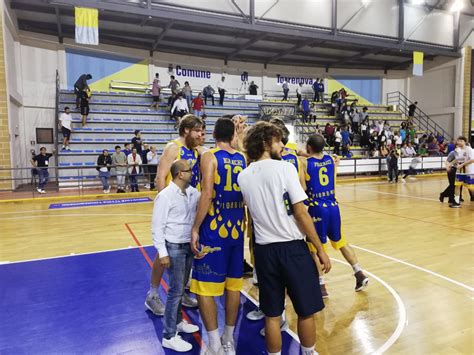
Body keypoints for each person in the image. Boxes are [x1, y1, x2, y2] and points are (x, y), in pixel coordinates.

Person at [238, 122, 331, 355]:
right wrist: (319, 249)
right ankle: (308, 353)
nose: (282, 145)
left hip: (264, 252)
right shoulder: (285, 169)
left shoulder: (244, 176)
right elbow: (300, 212)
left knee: (271, 315)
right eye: (278, 140)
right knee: (306, 311)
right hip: (292, 249)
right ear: (265, 142)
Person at [190, 118, 246, 354]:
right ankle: (228, 340)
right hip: (238, 228)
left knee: (205, 287)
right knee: (233, 287)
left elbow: (208, 193)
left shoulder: (209, 156)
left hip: (214, 228)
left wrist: (195, 227)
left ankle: (213, 345)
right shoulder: (242, 158)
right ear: (233, 134)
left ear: (213, 134)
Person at [145, 114, 204, 317]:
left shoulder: (194, 151)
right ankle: (152, 294)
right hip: (173, 209)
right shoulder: (173, 148)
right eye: (197, 130)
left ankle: (181, 292)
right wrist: (165, 205)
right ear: (186, 130)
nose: (200, 134)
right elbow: (161, 176)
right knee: (165, 253)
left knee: (187, 250)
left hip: (189, 208)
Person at [305, 134, 368, 298]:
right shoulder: (331, 160)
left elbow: (297, 157)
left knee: (314, 249)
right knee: (341, 242)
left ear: (309, 147)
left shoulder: (305, 163)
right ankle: (359, 272)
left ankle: (321, 285)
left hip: (317, 208)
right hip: (333, 207)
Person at [152, 159, 201, 352]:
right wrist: (162, 253)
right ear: (180, 173)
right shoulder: (165, 196)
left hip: (187, 246)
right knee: (175, 292)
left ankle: (179, 321)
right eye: (189, 171)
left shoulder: (191, 193)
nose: (192, 174)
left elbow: (206, 196)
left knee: (181, 289)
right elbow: (157, 227)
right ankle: (169, 335)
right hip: (173, 247)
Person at [451, 136, 474, 208]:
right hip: (459, 171)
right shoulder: (458, 150)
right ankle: (456, 202)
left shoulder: (469, 149)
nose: (459, 142)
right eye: (458, 141)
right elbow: (458, 159)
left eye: (461, 141)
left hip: (468, 171)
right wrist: (451, 163)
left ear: (465, 142)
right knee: (457, 185)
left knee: (471, 187)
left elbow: (472, 160)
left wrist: (462, 165)